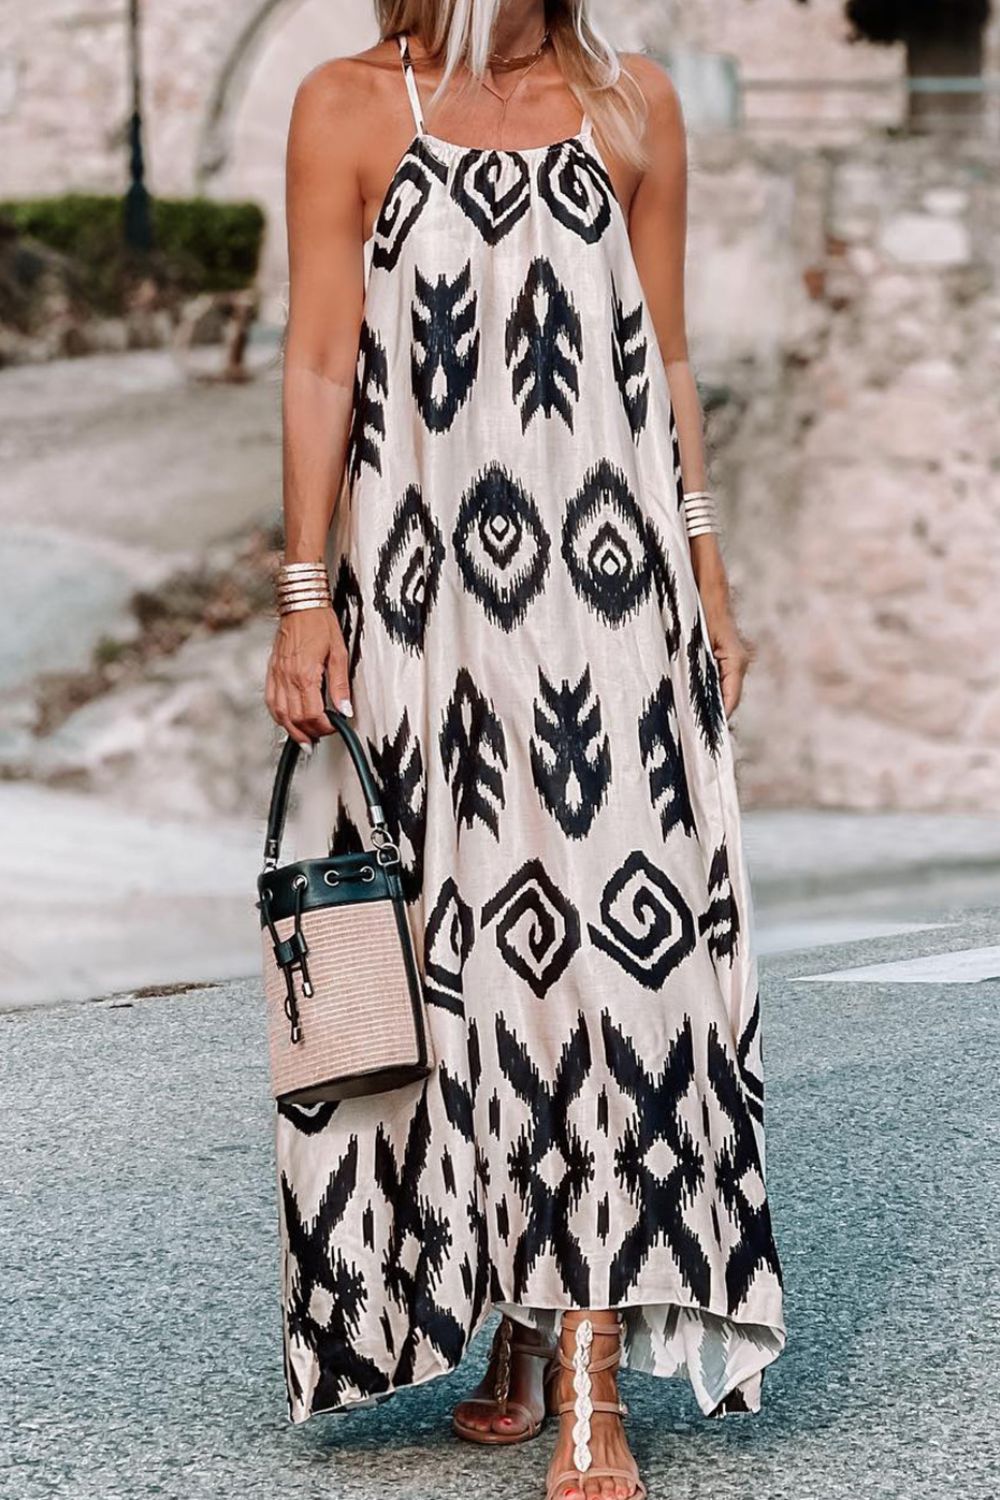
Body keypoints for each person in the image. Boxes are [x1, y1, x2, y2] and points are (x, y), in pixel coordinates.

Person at [264, 4, 786, 1497]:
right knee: (462, 963)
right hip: (428, 617)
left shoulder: (633, 108)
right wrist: (307, 599)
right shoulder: (352, 106)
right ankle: (505, 1303)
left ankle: (590, 1365)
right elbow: (316, 365)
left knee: (624, 962)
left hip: (613, 606)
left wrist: (711, 584)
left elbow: (665, 369)